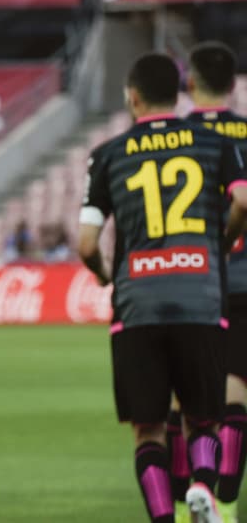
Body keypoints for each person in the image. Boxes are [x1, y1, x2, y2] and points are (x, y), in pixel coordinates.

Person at [78, 53, 247, 523]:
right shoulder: (214, 143)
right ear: (179, 94)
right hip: (201, 297)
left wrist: (102, 274)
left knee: (149, 430)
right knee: (204, 420)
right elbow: (243, 200)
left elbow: (87, 242)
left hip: (137, 304)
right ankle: (201, 486)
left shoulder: (108, 153)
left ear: (132, 97)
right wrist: (222, 239)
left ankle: (163, 517)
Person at [187, 42, 247, 519]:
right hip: (244, 277)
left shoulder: (176, 135)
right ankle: (226, 499)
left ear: (191, 82)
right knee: (237, 387)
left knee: (184, 395)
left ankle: (194, 495)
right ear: (232, 85)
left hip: (192, 278)